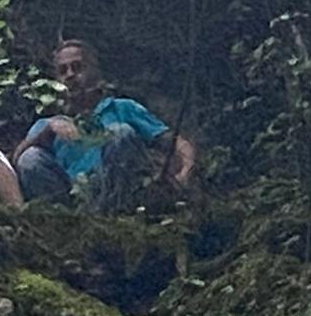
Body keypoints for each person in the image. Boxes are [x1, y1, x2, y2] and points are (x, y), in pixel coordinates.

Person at [13, 40, 197, 213]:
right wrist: (46, 132)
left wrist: (185, 171)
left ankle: (118, 212)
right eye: (63, 71)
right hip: (72, 201)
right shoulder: (48, 125)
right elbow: (16, 162)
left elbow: (174, 142)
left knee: (119, 132)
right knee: (30, 157)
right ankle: (63, 220)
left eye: (77, 67)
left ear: (94, 72)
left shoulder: (122, 108)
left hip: (118, 192)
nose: (70, 75)